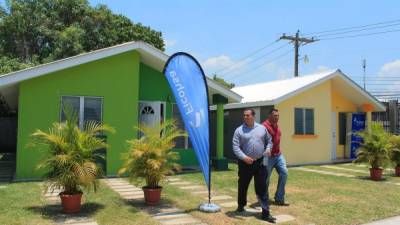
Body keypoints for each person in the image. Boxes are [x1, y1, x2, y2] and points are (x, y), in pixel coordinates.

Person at [232, 108, 276, 223]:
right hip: (245, 163)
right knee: (243, 185)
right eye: (244, 115)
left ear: (253, 116)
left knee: (262, 188)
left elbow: (269, 141)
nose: (245, 117)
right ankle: (241, 205)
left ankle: (265, 213)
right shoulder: (239, 130)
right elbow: (235, 147)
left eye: (247, 115)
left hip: (260, 162)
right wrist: (244, 157)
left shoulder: (262, 128)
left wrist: (268, 149)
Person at [262, 108, 289, 206]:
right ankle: (264, 198)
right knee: (266, 178)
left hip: (278, 155)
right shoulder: (264, 127)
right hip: (268, 157)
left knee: (284, 173)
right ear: (269, 116)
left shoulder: (276, 125)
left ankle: (279, 198)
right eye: (275, 116)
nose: (277, 117)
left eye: (278, 116)